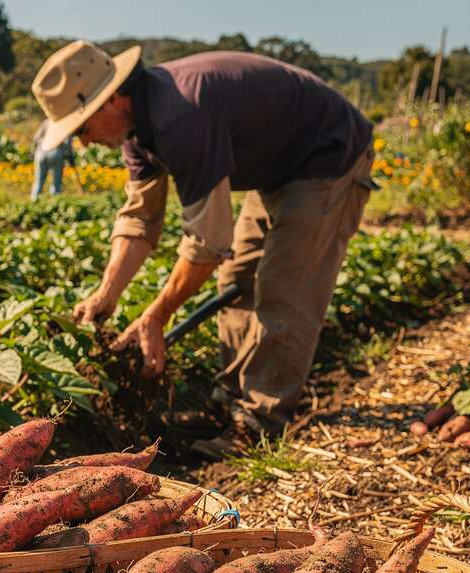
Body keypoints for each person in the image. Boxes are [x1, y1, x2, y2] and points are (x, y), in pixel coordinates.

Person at [32, 41, 376, 458]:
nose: (83, 144)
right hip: (278, 167)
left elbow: (208, 244)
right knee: (237, 281)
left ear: (111, 99)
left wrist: (156, 315)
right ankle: (228, 403)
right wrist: (107, 292)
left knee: (284, 289)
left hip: (328, 155)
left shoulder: (181, 116)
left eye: (82, 128)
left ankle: (260, 422)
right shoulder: (138, 128)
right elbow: (140, 218)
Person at [30, 119, 73, 200]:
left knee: (38, 180)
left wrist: (34, 150)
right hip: (56, 152)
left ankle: (33, 202)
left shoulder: (47, 121)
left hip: (41, 152)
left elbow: (36, 138)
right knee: (56, 182)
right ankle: (54, 204)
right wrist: (70, 157)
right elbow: (67, 143)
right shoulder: (66, 122)